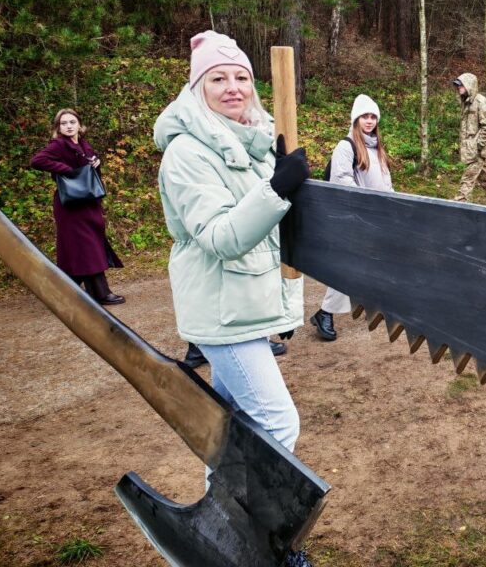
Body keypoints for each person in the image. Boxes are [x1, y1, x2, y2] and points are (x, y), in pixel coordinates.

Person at [153, 31, 312, 567]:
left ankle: (221, 538)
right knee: (276, 422)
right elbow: (221, 236)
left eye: (241, 76)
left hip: (244, 306)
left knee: (231, 430)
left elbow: (272, 238)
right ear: (196, 88)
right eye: (217, 78)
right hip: (222, 312)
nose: (232, 87)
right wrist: (276, 190)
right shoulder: (186, 153)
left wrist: (286, 300)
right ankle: (256, 533)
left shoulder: (254, 142)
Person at [310, 94, 394, 342]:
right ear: (356, 119)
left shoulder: (377, 147)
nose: (369, 121)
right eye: (364, 116)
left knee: (377, 262)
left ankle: (376, 307)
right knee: (348, 267)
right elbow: (341, 181)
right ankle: (324, 313)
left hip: (377, 216)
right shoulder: (346, 147)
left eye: (372, 117)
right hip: (353, 216)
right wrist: (365, 202)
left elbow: (385, 183)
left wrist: (394, 206)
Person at [31, 109, 125, 305]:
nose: (68, 126)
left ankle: (63, 292)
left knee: (80, 249)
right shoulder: (58, 145)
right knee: (86, 247)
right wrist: (67, 171)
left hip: (88, 202)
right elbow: (37, 160)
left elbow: (89, 170)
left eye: (72, 122)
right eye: (63, 123)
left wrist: (96, 163)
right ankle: (100, 293)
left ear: (79, 125)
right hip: (71, 206)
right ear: (58, 127)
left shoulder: (82, 144)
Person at [453, 73, 486, 207]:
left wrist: (479, 145)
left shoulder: (481, 102)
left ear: (469, 85)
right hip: (470, 149)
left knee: (467, 179)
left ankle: (459, 205)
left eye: (461, 85)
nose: (459, 88)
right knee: (485, 177)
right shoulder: (466, 102)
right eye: (458, 86)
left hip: (477, 150)